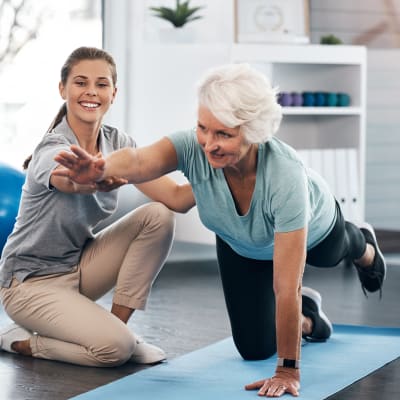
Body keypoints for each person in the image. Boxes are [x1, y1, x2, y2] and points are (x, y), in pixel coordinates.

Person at [52, 63, 386, 397]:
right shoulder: (192, 148)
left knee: (334, 252)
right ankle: (308, 319)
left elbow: (286, 286)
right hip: (241, 243)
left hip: (315, 231)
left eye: (224, 134)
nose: (209, 143)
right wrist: (99, 168)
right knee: (255, 348)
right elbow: (140, 161)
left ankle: (364, 244)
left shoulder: (285, 177)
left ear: (254, 132)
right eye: (203, 128)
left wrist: (287, 370)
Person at [0, 46, 196, 367]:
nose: (91, 91)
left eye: (101, 84)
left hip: (77, 269)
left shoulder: (119, 143)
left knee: (158, 215)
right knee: (113, 351)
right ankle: (21, 342)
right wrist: (88, 178)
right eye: (80, 82)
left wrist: (224, 171)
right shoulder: (52, 147)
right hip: (28, 284)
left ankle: (120, 330)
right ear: (62, 89)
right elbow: (67, 180)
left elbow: (175, 197)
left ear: (113, 93)